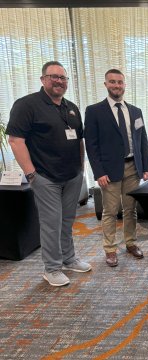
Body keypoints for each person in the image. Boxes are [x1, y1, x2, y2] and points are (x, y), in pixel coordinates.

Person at [7, 61, 92, 287]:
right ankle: (52, 268)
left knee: (67, 220)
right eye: (54, 76)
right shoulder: (27, 105)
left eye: (63, 78)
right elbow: (15, 140)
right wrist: (31, 174)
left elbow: (79, 140)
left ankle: (68, 258)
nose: (59, 81)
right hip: (45, 177)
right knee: (51, 223)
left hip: (72, 176)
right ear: (43, 79)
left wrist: (81, 168)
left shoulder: (70, 107)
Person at [84, 69, 148, 267]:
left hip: (133, 167)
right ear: (105, 84)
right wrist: (98, 172)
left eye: (120, 82)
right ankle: (110, 249)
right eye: (112, 82)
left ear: (124, 85)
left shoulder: (135, 111)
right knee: (110, 211)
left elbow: (142, 141)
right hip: (109, 170)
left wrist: (146, 166)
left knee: (131, 210)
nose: (116, 85)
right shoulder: (94, 111)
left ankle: (130, 243)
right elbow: (91, 145)